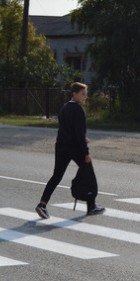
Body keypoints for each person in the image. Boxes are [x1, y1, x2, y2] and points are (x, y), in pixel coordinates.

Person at [36, 82, 104, 218]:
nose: (85, 97)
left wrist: (82, 138)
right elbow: (78, 133)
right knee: (88, 172)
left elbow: (68, 129)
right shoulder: (78, 110)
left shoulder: (65, 108)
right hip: (74, 148)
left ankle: (42, 204)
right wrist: (86, 153)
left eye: (86, 94)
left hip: (61, 146)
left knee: (56, 176)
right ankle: (91, 206)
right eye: (82, 94)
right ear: (74, 94)